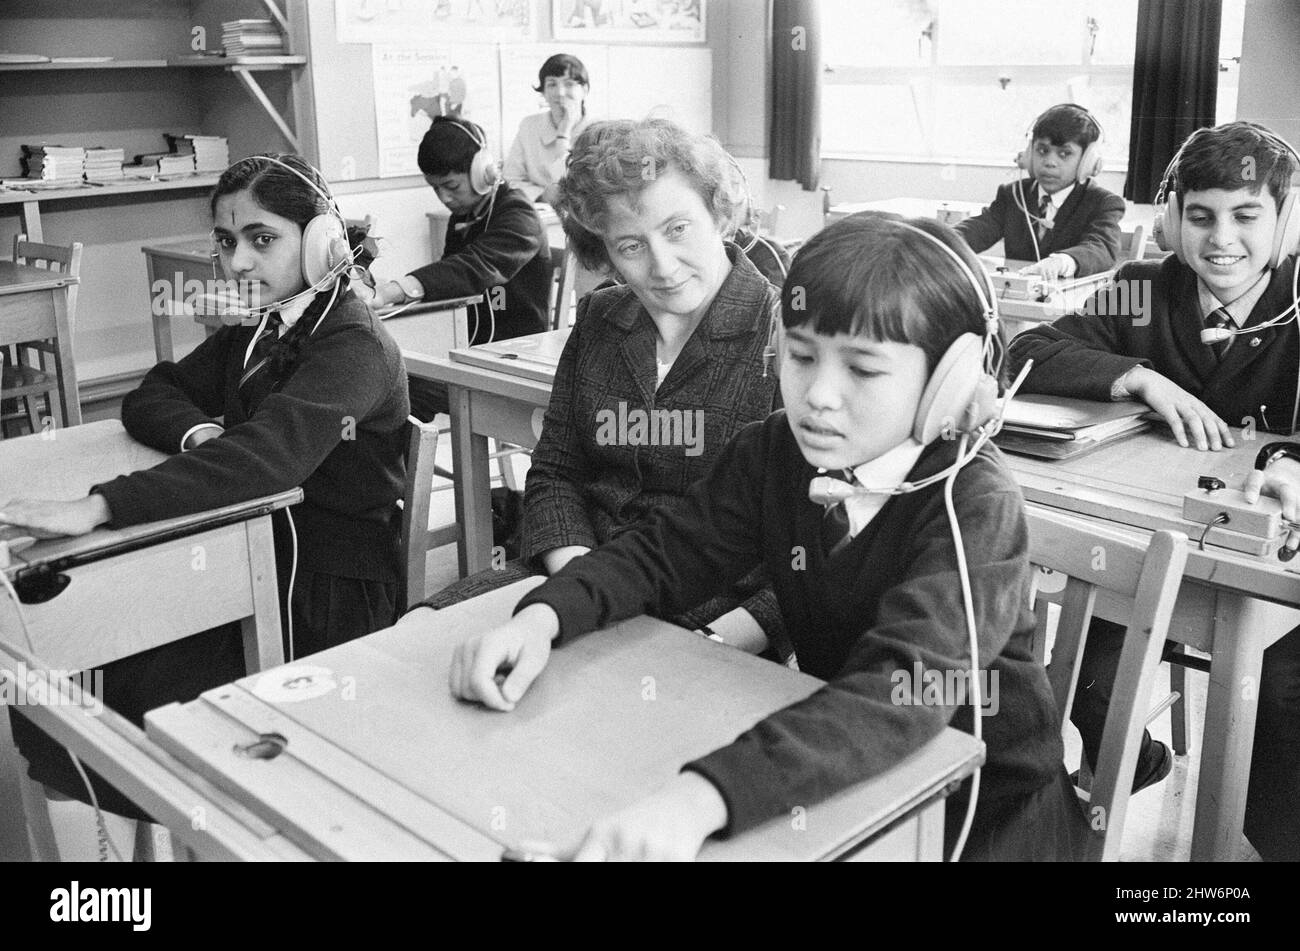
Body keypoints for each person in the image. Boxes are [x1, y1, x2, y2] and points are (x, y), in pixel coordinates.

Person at [447, 212, 1087, 861]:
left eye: (862, 370)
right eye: (802, 357)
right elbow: (662, 556)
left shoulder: (972, 504)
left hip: (986, 806)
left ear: (948, 387)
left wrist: (701, 798)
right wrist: (545, 617)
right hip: (841, 757)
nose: (819, 396)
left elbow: (903, 686)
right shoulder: (775, 450)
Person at [0, 153, 410, 847]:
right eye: (226, 242)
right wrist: (199, 434)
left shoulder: (352, 341)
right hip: (243, 549)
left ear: (321, 243)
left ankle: (219, 832)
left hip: (324, 591)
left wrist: (101, 505)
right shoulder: (266, 326)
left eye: (262, 238)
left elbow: (264, 459)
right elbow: (153, 391)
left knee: (118, 682)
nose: (238, 262)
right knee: (85, 649)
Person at [1008, 120, 1300, 861]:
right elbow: (1027, 347)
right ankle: (1134, 759)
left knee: (1283, 705)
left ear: (1285, 220)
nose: (1220, 238)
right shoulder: (1145, 288)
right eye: (1199, 216)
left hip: (1270, 563)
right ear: (1173, 219)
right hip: (1153, 541)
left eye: (1245, 215)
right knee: (1079, 668)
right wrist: (1136, 375)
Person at [415, 118, 785, 651]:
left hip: (716, 611)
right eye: (630, 245)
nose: (662, 265)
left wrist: (717, 640)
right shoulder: (600, 318)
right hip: (572, 573)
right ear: (604, 252)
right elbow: (555, 472)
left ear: (719, 214)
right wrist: (583, 584)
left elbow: (808, 544)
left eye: (678, 228)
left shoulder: (784, 336)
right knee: (421, 639)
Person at [370, 116, 551, 422]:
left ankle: (403, 468)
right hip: (470, 347)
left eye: (451, 185)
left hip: (510, 360)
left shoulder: (519, 215)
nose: (444, 197)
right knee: (383, 379)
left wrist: (394, 291)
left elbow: (472, 269)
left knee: (393, 391)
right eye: (435, 188)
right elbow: (448, 276)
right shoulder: (465, 215)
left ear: (483, 171)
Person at [956, 103, 1125, 281]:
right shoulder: (1014, 194)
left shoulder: (1103, 203)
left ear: (1088, 161)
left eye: (1064, 154)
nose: (1050, 162)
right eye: (1042, 151)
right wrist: (934, 240)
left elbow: (1101, 247)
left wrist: (1063, 261)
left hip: (1070, 305)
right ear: (1029, 153)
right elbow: (977, 229)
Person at [503, 53, 593, 206]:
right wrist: (541, 195)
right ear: (543, 92)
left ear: (584, 90)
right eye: (552, 84)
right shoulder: (529, 126)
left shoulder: (598, 130)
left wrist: (563, 133)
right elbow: (511, 179)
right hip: (540, 215)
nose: (560, 93)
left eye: (569, 84)